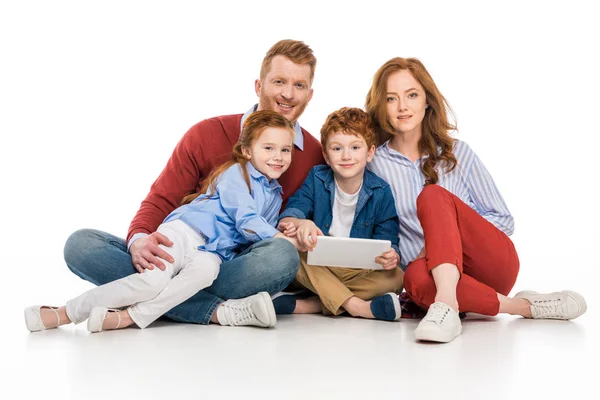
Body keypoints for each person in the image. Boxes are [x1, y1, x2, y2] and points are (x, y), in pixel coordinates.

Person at [62, 40, 324, 327]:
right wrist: (139, 241)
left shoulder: (314, 155)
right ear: (259, 86)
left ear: (310, 94)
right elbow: (161, 199)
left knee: (281, 257)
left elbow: (300, 218)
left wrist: (298, 226)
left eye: (299, 85)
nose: (288, 93)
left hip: (232, 265)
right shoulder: (207, 133)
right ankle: (215, 311)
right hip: (179, 248)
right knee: (82, 246)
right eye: (279, 81)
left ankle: (152, 295)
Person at [365, 57, 587, 343]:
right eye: (391, 98)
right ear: (381, 106)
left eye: (412, 95)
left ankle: (444, 304)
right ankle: (524, 306)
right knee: (415, 279)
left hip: (488, 266)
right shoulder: (374, 163)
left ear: (427, 101)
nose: (402, 106)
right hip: (429, 277)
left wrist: (441, 240)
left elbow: (503, 219)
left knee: (432, 195)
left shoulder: (457, 152)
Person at [26, 111, 302, 332]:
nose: (278, 157)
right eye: (269, 148)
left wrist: (283, 228)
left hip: (215, 253)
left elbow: (257, 235)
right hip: (185, 234)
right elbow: (246, 220)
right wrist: (279, 238)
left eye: (285, 150)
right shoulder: (235, 174)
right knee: (151, 282)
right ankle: (64, 312)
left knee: (205, 274)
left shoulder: (275, 194)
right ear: (246, 151)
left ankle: (130, 317)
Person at [275, 107, 404, 321]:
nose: (346, 156)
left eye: (355, 147)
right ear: (326, 154)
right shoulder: (317, 178)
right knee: (286, 246)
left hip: (356, 271)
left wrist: (392, 256)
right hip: (317, 265)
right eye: (337, 148)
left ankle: (315, 302)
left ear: (370, 152)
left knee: (397, 278)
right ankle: (357, 307)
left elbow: (389, 242)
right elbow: (289, 216)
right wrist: (300, 222)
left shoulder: (381, 191)